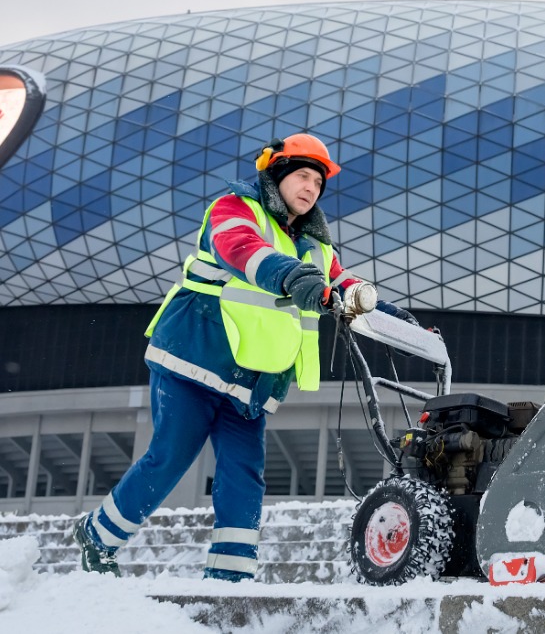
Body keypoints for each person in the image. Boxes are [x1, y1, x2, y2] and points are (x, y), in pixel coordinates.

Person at [71, 134, 418, 581]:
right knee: (171, 456)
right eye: (303, 175)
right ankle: (98, 537)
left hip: (251, 381)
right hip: (194, 359)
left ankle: (230, 577)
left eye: (318, 181)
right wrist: (291, 274)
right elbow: (241, 249)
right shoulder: (235, 208)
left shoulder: (316, 246)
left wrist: (396, 317)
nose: (311, 187)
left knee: (244, 474)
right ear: (277, 174)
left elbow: (344, 285)